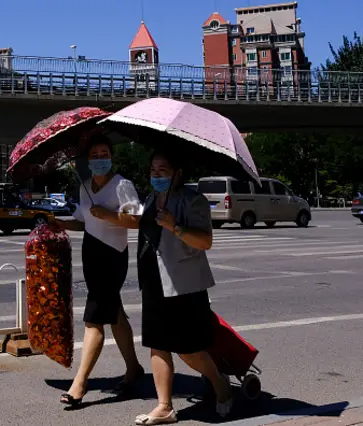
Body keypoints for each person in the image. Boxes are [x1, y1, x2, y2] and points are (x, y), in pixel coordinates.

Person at [133, 151, 233, 424]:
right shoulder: (151, 199)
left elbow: (205, 242)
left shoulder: (193, 201)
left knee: (188, 349)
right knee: (157, 344)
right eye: (153, 169)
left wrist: (175, 227)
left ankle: (220, 385)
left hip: (184, 285)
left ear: (178, 173)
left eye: (163, 169)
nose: (156, 174)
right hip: (154, 281)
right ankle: (165, 406)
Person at [51, 134, 144, 405]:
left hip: (112, 257)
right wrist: (62, 224)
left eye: (105, 154)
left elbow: (136, 220)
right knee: (115, 314)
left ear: (111, 158)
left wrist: (110, 215)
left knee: (94, 318)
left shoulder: (121, 185)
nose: (100, 159)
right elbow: (85, 222)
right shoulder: (85, 187)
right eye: (95, 156)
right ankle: (134, 369)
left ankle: (79, 384)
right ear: (87, 161)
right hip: (91, 253)